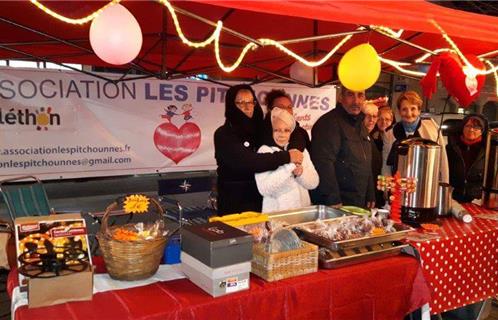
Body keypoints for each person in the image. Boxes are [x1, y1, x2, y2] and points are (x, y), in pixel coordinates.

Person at [214, 84, 303, 215]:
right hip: (235, 203)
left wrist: (296, 154)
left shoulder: (261, 127)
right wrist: (287, 157)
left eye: (251, 102)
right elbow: (248, 162)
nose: (247, 107)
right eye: (240, 102)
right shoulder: (224, 134)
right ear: (231, 104)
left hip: (263, 201)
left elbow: (295, 132)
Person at [311, 87, 375, 208]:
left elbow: (366, 161)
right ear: (341, 97)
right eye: (350, 95)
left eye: (360, 95)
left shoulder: (360, 123)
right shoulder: (329, 123)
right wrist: (333, 199)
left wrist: (370, 191)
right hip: (338, 203)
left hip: (358, 200)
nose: (356, 101)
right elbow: (323, 163)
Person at [255, 108, 319, 212]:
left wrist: (301, 173)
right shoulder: (264, 151)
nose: (282, 134)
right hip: (276, 218)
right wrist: (290, 166)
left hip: (302, 216)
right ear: (270, 130)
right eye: (277, 130)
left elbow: (314, 183)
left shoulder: (301, 151)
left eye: (286, 130)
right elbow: (264, 189)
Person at [382, 91, 449, 183]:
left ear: (419, 110)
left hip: (425, 183)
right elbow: (386, 163)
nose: (409, 114)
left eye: (413, 109)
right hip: (399, 185)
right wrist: (387, 188)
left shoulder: (432, 129)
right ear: (399, 111)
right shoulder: (389, 133)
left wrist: (444, 184)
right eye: (404, 109)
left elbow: (442, 160)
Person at [446, 114, 488, 203]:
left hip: (477, 200)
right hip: (452, 198)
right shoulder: (451, 148)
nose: (471, 129)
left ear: (482, 131)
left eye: (476, 127)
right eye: (468, 126)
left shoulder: (487, 150)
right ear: (462, 128)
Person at [362, 103, 384, 208]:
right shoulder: (359, 138)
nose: (371, 119)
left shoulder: (370, 138)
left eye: (374, 116)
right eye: (367, 115)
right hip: (364, 195)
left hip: (374, 192)